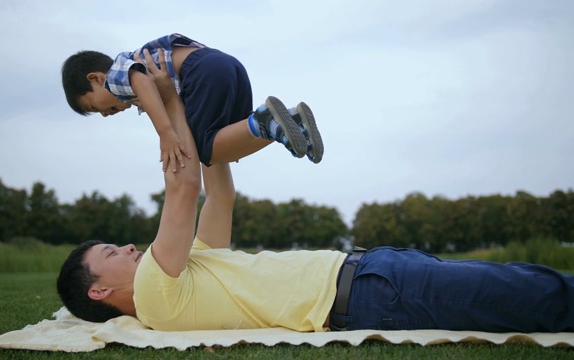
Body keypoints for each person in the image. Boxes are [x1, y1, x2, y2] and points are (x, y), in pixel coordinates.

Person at [57, 49, 574, 334]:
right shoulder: (154, 291)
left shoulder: (185, 272)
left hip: (366, 270)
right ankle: (263, 125)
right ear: (99, 291)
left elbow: (219, 197)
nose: (127, 246)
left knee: (520, 280)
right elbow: (185, 185)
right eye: (110, 253)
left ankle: (262, 124)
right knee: (530, 294)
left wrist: (192, 119)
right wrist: (167, 111)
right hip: (366, 294)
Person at [61, 33, 324, 173]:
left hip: (200, 71)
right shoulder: (131, 76)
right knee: (226, 149)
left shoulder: (117, 76)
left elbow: (143, 83)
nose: (105, 115)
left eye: (95, 107)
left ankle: (266, 120)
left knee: (204, 150)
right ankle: (292, 123)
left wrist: (165, 134)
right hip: (226, 65)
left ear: (95, 78)